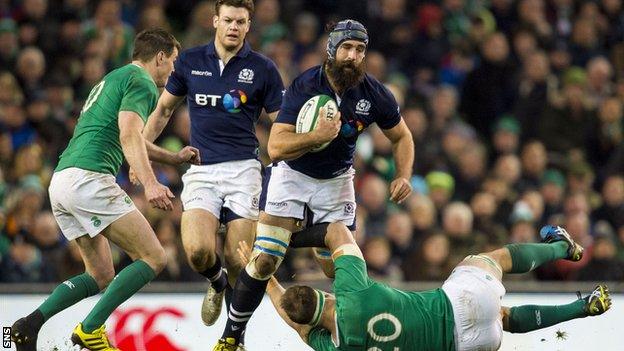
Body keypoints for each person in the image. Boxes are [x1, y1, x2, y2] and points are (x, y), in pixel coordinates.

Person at [213, 19, 414, 350]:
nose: (353, 56)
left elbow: (402, 136)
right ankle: (231, 336)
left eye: (360, 50)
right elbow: (275, 148)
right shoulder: (305, 85)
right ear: (332, 49)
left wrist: (403, 174)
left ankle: (350, 329)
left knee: (338, 270)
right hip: (292, 174)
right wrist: (316, 136)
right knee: (264, 260)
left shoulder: (374, 93)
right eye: (347, 48)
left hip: (337, 181)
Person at [11, 29, 199, 351]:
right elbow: (128, 135)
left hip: (63, 181)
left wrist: (173, 157)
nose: (173, 70)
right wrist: (151, 182)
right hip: (90, 179)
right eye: (173, 61)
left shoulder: (115, 78)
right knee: (154, 257)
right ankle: (90, 329)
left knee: (100, 275)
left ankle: (29, 324)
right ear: (159, 57)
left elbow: (131, 136)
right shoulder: (142, 82)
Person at [140, 0, 284, 337]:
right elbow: (162, 111)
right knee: (198, 252)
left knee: (240, 260)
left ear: (249, 26)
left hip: (244, 171)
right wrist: (141, 155)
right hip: (202, 169)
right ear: (215, 21)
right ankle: (215, 282)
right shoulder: (189, 61)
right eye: (229, 20)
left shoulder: (263, 69)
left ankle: (234, 339)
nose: (234, 27)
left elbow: (280, 123)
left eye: (241, 22)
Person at [246, 224, 612, 350]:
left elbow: (296, 324)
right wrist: (273, 245)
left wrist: (262, 278)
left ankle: (583, 308)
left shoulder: (336, 347)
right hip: (458, 304)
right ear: (324, 294)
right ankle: (563, 247)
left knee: (505, 319)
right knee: (490, 260)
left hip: (468, 346)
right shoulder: (350, 292)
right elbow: (336, 233)